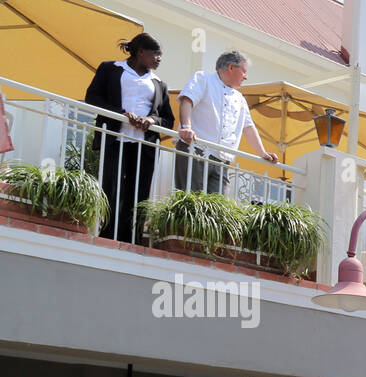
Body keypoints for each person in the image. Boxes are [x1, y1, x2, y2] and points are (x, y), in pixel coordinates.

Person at [84, 34, 174, 243]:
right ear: (140, 52)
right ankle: (107, 236)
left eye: (161, 56)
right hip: (115, 138)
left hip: (145, 144)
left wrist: (152, 120)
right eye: (155, 54)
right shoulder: (110, 69)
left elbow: (168, 119)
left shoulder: (159, 84)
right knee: (111, 188)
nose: (158, 59)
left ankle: (131, 240)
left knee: (139, 192)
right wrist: (122, 113)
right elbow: (93, 97)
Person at [175, 51, 279, 194]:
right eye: (244, 71)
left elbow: (248, 127)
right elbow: (187, 100)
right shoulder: (204, 78)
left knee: (216, 211)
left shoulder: (240, 98)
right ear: (231, 67)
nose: (246, 77)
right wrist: (186, 127)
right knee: (191, 203)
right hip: (195, 149)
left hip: (222, 159)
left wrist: (263, 153)